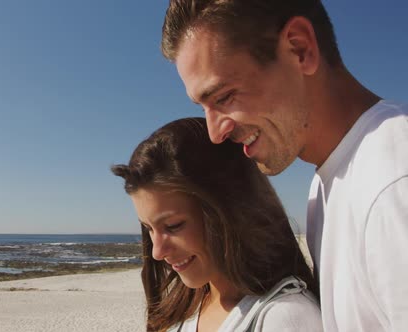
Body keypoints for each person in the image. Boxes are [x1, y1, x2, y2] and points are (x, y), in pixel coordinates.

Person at [160, 1, 408, 331]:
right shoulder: (326, 188)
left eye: (224, 97)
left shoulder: (393, 181)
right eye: (203, 106)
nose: (215, 133)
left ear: (299, 49)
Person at [112, 117, 321, 331]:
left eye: (173, 226)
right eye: (149, 228)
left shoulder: (283, 318)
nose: (157, 252)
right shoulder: (183, 307)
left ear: (231, 211)